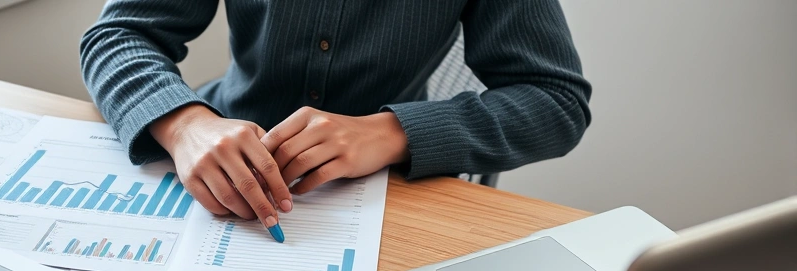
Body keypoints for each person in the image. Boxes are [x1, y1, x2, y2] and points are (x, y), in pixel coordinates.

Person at [81, 0, 591, 240]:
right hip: (212, 164)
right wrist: (185, 124)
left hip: (392, 199)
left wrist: (389, 132)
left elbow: (555, 100)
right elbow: (118, 35)